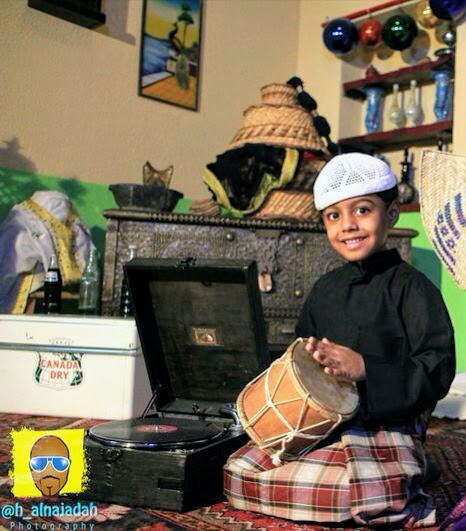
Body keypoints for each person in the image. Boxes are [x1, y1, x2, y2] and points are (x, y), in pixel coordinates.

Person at [224, 152, 456, 528]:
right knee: (239, 469)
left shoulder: (414, 288)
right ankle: (403, 474)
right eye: (333, 215)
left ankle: (407, 466)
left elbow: (438, 369)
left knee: (348, 492)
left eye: (362, 210)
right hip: (324, 426)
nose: (347, 225)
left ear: (391, 214)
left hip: (384, 426)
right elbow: (301, 357)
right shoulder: (325, 289)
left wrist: (366, 369)